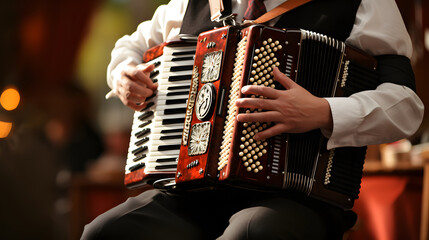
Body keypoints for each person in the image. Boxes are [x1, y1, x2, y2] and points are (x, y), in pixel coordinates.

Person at [82, 0, 424, 239]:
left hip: (295, 200)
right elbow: (131, 46)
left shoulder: (361, 2)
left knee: (250, 233)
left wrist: (323, 111)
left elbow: (406, 106)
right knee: (105, 232)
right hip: (193, 196)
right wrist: (123, 75)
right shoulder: (198, 2)